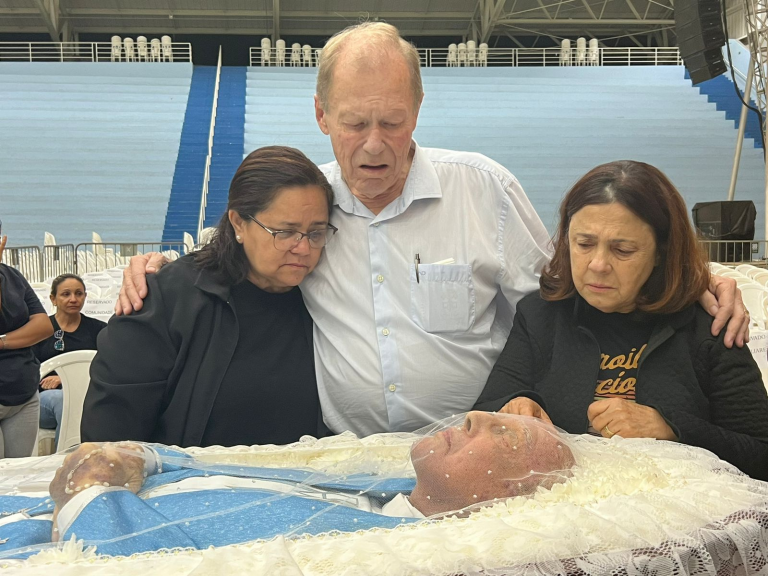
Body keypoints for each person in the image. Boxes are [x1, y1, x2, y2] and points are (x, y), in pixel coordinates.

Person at [115, 23, 749, 437]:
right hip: (348, 459)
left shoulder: (484, 190)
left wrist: (697, 279)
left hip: (480, 455)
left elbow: (572, 285)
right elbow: (244, 246)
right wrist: (161, 268)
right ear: (320, 114)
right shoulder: (312, 206)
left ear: (418, 109)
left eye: (391, 122)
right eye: (353, 122)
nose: (372, 146)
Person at [474, 160, 768, 481]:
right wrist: (515, 404)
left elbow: (759, 452)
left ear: (661, 252)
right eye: (584, 244)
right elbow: (488, 404)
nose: (598, 265)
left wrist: (672, 429)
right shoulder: (541, 313)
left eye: (623, 250)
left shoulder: (708, 324)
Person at [0, 412, 574, 558]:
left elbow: (137, 562)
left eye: (504, 438)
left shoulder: (367, 550)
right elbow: (195, 464)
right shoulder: (372, 488)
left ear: (512, 496)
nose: (474, 420)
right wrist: (132, 453)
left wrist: (88, 489)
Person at [80, 146, 338, 447]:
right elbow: (109, 437)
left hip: (310, 486)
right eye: (285, 232)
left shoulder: (327, 292)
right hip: (190, 489)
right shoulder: (165, 299)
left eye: (316, 233)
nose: (304, 249)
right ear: (239, 223)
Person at [32, 274, 107, 447]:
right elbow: (28, 370)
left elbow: (107, 366)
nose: (73, 299)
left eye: (79, 293)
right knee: (63, 400)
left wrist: (66, 379)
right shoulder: (39, 330)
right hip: (45, 399)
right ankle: (67, 459)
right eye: (66, 294)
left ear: (85, 297)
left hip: (88, 395)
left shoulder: (99, 330)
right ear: (53, 299)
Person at [0, 235, 54, 458]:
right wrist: (19, 336)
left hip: (24, 391)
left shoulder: (11, 275)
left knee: (17, 475)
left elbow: (43, 326)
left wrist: (2, 341)